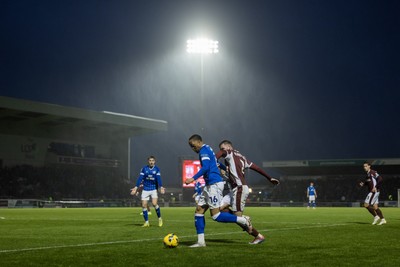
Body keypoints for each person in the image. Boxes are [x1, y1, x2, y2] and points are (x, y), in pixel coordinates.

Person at [185, 134, 252, 248]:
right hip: (209, 185)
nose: (193, 148)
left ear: (199, 142)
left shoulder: (203, 151)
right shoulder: (208, 149)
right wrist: (223, 167)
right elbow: (214, 162)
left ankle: (243, 220)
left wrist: (193, 178)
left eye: (193, 145)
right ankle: (201, 242)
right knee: (199, 211)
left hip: (214, 185)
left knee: (216, 216)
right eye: (191, 146)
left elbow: (206, 167)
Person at [215, 139, 280, 245]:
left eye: (223, 148)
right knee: (218, 211)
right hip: (233, 191)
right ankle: (246, 222)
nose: (222, 151)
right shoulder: (242, 158)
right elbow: (257, 168)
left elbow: (222, 153)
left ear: (229, 147)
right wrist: (269, 178)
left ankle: (257, 235)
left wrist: (213, 158)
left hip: (239, 189)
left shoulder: (229, 152)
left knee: (238, 217)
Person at [130, 156, 165, 227]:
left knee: (154, 204)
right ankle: (146, 222)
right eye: (150, 160)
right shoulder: (144, 169)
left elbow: (159, 179)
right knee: (143, 205)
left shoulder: (156, 169)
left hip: (153, 189)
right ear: (148, 161)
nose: (151, 162)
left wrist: (161, 187)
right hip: (145, 189)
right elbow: (140, 179)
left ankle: (160, 218)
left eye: (152, 160)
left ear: (154, 161)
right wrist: (136, 187)